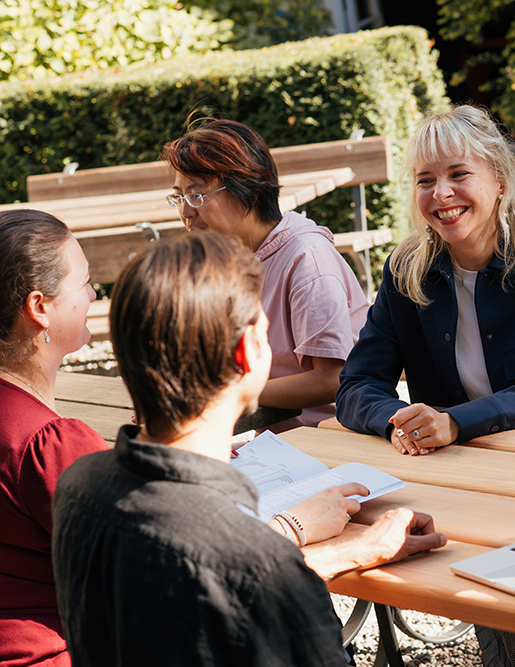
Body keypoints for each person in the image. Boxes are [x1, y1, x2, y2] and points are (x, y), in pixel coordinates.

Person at [51, 232, 446, 666]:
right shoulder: (255, 564)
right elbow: (244, 576)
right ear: (248, 351)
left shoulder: (77, 486)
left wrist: (355, 550)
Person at [336, 105, 515, 455]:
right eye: (425, 180)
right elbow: (357, 385)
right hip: (453, 463)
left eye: (459, 174)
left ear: (500, 182)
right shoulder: (405, 271)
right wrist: (399, 423)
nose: (441, 193)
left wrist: (457, 421)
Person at [161, 119, 368, 429]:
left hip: (331, 439)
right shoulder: (231, 257)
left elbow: (333, 379)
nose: (186, 212)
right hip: (273, 440)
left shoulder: (307, 260)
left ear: (247, 189)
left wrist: (227, 394)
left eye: (197, 195)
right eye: (179, 197)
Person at [0, 210, 108, 666]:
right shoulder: (49, 443)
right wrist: (293, 527)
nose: (92, 292)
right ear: (39, 307)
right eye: (83, 281)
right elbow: (164, 567)